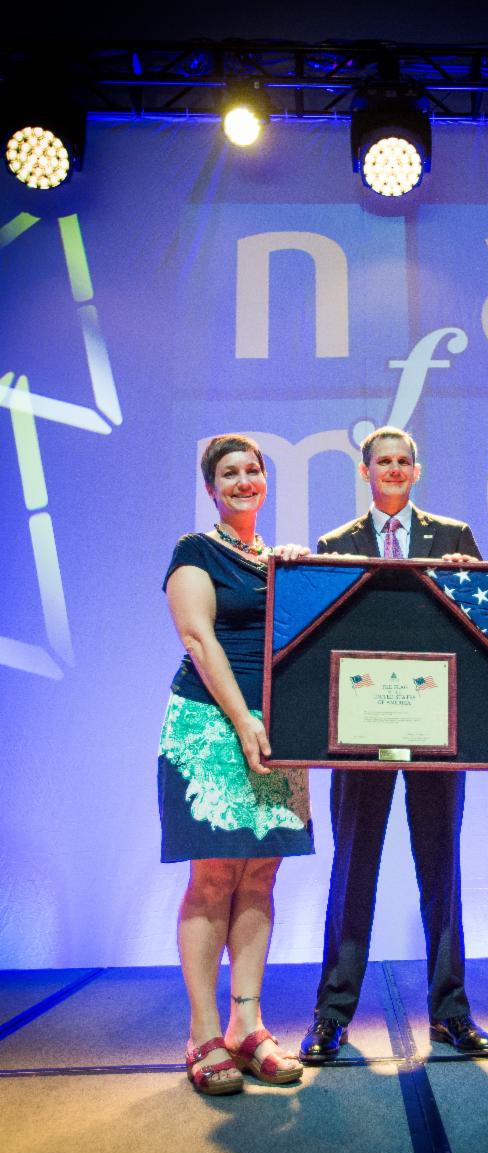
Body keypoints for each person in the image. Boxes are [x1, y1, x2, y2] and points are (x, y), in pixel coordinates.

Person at [300, 425, 488, 1062]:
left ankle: (451, 1013)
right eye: (381, 461)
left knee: (442, 868)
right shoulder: (335, 544)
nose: (392, 469)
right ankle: (331, 1016)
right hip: (360, 733)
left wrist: (471, 582)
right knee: (352, 869)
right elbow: (323, 637)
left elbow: (482, 631)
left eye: (402, 461)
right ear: (365, 472)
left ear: (417, 470)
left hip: (435, 732)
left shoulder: (455, 537)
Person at [159, 433, 312, 1095]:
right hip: (211, 725)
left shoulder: (275, 560)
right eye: (230, 473)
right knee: (214, 877)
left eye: (253, 470)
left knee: (261, 876)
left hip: (276, 729)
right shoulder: (195, 551)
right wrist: (242, 717)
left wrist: (300, 576)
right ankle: (203, 1034)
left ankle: (247, 1025)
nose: (244, 480)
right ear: (211, 488)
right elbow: (198, 638)